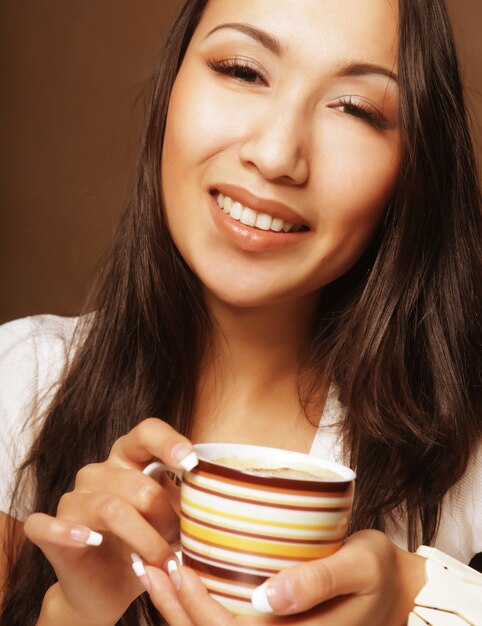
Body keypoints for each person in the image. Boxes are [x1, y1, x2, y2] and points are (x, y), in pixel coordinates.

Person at [0, 0, 481, 624]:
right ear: (172, 85)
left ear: (413, 170)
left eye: (357, 108)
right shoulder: (22, 384)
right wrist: (72, 613)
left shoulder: (466, 463)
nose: (278, 153)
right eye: (241, 70)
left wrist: (423, 596)